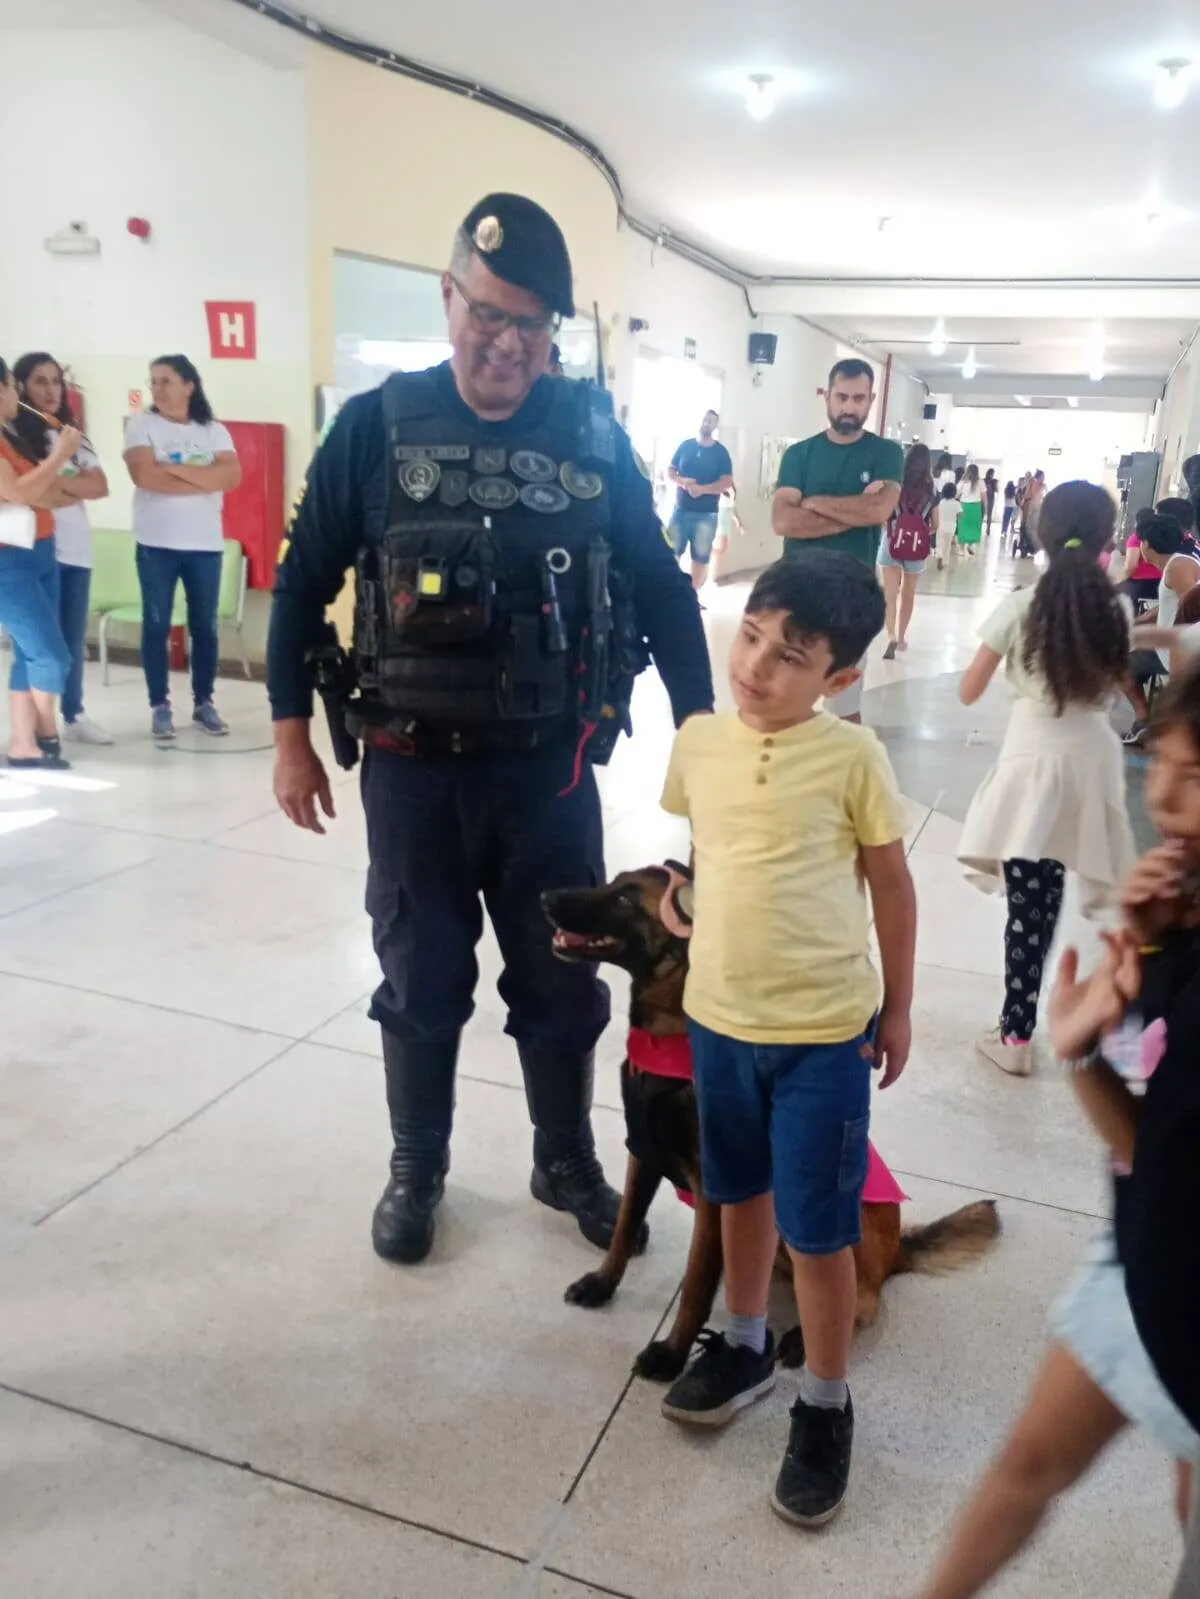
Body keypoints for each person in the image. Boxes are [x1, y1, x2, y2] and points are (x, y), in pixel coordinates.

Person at [268, 192, 713, 1267]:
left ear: (554, 331)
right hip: (410, 773)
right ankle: (417, 1165)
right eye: (488, 314)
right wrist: (288, 736)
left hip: (548, 775)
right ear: (448, 297)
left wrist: (704, 733)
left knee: (563, 975)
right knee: (420, 979)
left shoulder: (592, 433)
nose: (507, 343)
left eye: (531, 324)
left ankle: (563, 1157)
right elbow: (301, 582)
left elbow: (660, 586)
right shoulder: (374, 426)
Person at [908, 675, 1200, 1599]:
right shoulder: (1179, 919)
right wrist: (1113, 1000)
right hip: (1150, 1260)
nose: (1162, 798)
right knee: (1030, 1463)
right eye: (1163, 763)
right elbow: (1150, 1144)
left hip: (1178, 1282)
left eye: (1195, 776)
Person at [655, 551, 915, 1528]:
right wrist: (688, 902)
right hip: (720, 1019)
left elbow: (891, 883)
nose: (755, 666)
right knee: (736, 1191)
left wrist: (898, 1007)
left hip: (821, 1034)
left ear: (838, 677)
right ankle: (746, 1341)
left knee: (818, 1225)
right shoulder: (699, 742)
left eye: (789, 656)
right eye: (752, 636)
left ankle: (826, 1403)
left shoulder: (853, 758)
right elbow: (709, 851)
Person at [956, 481, 1135, 1077]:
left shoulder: (1019, 606)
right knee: (1061, 889)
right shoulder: (1116, 609)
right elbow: (1120, 683)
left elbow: (969, 689)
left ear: (1041, 533)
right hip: (1093, 762)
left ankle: (1015, 1034)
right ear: (1107, 538)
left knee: (1029, 902)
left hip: (1034, 758)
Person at [771, 359, 903, 721]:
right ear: (826, 396)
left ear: (871, 400)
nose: (849, 407)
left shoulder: (886, 453)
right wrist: (855, 508)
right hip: (795, 593)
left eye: (859, 398)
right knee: (783, 698)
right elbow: (783, 521)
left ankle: (845, 759)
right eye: (841, 397)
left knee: (844, 707)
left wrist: (813, 503)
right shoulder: (799, 455)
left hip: (852, 598)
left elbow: (879, 511)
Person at [123, 355, 241, 742]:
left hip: (204, 544)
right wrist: (204, 478)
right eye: (153, 381)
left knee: (205, 626)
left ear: (189, 386)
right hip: (156, 544)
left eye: (166, 381)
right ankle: (160, 705)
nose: (157, 389)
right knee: (156, 624)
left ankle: (204, 701)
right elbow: (144, 476)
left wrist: (172, 468)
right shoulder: (142, 425)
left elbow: (232, 476)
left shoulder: (213, 430)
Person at [12, 353, 112, 745]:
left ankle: (74, 714)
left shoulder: (72, 436)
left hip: (76, 552)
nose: (51, 390)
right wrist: (64, 486)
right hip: (37, 551)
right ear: (20, 387)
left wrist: (56, 487)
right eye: (40, 381)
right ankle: (35, 727)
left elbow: (99, 486)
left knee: (70, 641)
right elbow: (34, 494)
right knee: (37, 647)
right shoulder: (19, 439)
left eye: (56, 381)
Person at [0, 358, 79, 769]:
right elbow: (17, 493)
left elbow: (41, 491)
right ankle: (47, 733)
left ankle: (23, 742)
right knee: (52, 656)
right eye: (14, 387)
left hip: (41, 548)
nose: (18, 395)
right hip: (9, 561)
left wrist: (47, 479)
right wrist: (61, 454)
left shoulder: (12, 435)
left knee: (30, 654)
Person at [1123, 514, 1200, 748]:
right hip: (1169, 647)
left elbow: (1191, 610)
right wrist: (1139, 620)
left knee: (1122, 667)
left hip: (1177, 652)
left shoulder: (1178, 566)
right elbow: (1171, 604)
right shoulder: (1176, 564)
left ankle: (1144, 722)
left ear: (1146, 544)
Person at [666, 410, 734, 594]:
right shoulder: (685, 446)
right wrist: (682, 482)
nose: (706, 423)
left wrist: (702, 489)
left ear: (715, 426)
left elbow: (726, 482)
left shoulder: (721, 452)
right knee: (669, 553)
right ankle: (669, 594)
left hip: (706, 515)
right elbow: (670, 471)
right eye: (705, 419)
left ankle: (692, 595)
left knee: (700, 558)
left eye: (711, 421)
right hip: (679, 512)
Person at [879, 442, 935, 658]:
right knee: (908, 593)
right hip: (916, 548)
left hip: (892, 542)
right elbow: (935, 524)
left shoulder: (896, 485)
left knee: (890, 593)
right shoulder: (931, 490)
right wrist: (919, 529)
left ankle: (891, 635)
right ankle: (902, 637)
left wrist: (892, 526)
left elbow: (883, 515)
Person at [955, 463, 984, 556]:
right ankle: (971, 545)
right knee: (974, 527)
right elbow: (984, 495)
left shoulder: (963, 482)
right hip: (976, 506)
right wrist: (985, 506)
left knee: (963, 527)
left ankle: (961, 549)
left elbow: (956, 494)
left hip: (964, 506)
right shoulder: (980, 482)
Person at [1016, 469, 1045, 558]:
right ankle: (1028, 544)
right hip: (1030, 505)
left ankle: (1033, 545)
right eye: (1043, 476)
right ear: (1039, 477)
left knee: (1033, 526)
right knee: (1028, 525)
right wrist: (1040, 488)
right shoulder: (1033, 482)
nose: (1044, 478)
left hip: (1035, 506)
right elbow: (1032, 494)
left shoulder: (1038, 484)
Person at [933, 480, 961, 569]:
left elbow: (936, 513)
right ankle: (945, 561)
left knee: (939, 543)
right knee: (947, 544)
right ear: (954, 493)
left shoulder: (940, 502)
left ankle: (939, 556)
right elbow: (960, 515)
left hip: (940, 525)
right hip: (951, 526)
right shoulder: (956, 503)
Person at [1001, 479, 1018, 543]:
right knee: (1012, 519)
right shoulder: (1014, 490)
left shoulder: (1005, 490)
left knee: (1005, 520)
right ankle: (1008, 530)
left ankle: (1004, 531)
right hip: (1013, 506)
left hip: (1006, 506)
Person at [983, 467, 998, 534]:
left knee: (987, 514)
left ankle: (987, 529)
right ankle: (986, 529)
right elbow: (996, 490)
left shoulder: (993, 481)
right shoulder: (984, 480)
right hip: (986, 498)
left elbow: (996, 490)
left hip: (988, 498)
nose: (991, 475)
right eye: (992, 473)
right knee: (985, 513)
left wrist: (991, 486)